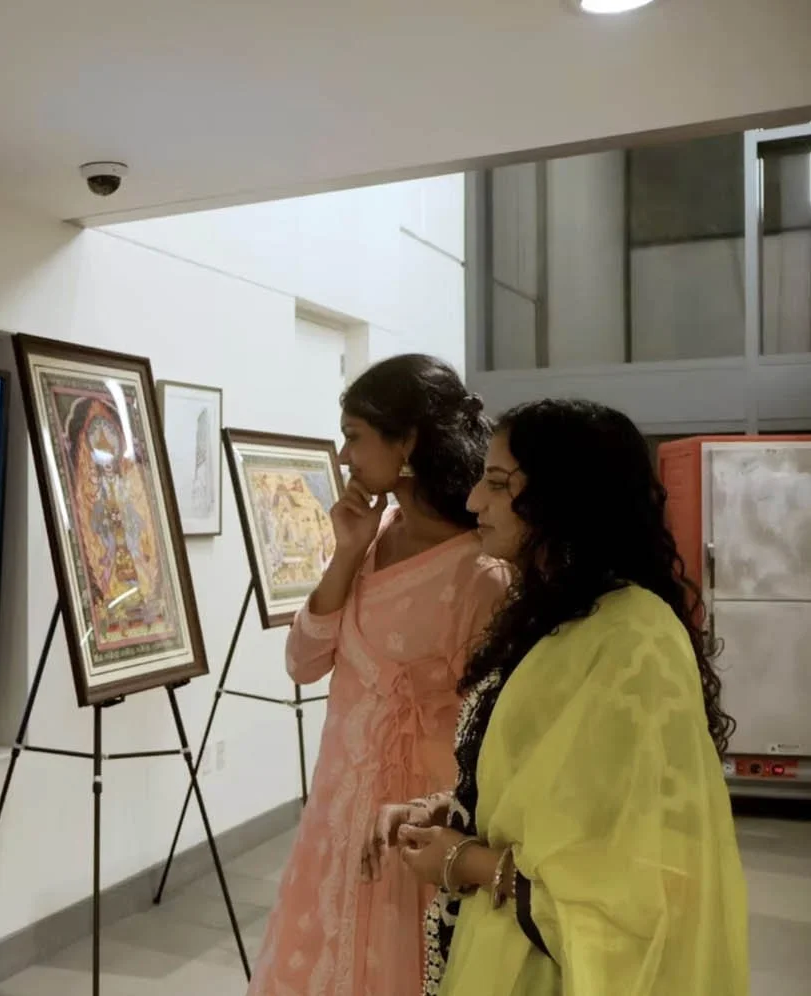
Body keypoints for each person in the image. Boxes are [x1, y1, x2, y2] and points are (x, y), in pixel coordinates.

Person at [367, 399, 747, 996]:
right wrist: (452, 809)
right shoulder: (548, 610)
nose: (474, 501)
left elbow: (638, 875)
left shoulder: (634, 639)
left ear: (566, 497)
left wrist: (465, 860)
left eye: (498, 484)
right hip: (502, 945)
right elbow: (556, 784)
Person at [249, 355, 510, 996]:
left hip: (411, 826)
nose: (343, 456)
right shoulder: (374, 533)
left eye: (355, 436)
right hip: (336, 813)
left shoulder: (478, 574)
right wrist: (346, 552)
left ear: (409, 442)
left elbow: (492, 732)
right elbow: (303, 663)